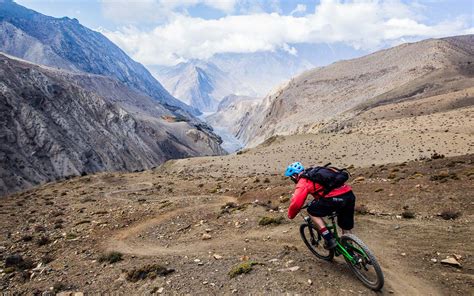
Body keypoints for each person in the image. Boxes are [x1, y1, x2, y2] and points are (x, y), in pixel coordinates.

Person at [285, 162, 356, 249]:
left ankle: (329, 239)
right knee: (345, 225)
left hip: (334, 199)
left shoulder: (303, 182)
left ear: (294, 176)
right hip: (349, 195)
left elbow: (296, 203)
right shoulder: (316, 171)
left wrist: (290, 215)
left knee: (312, 211)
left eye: (291, 178)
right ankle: (352, 250)